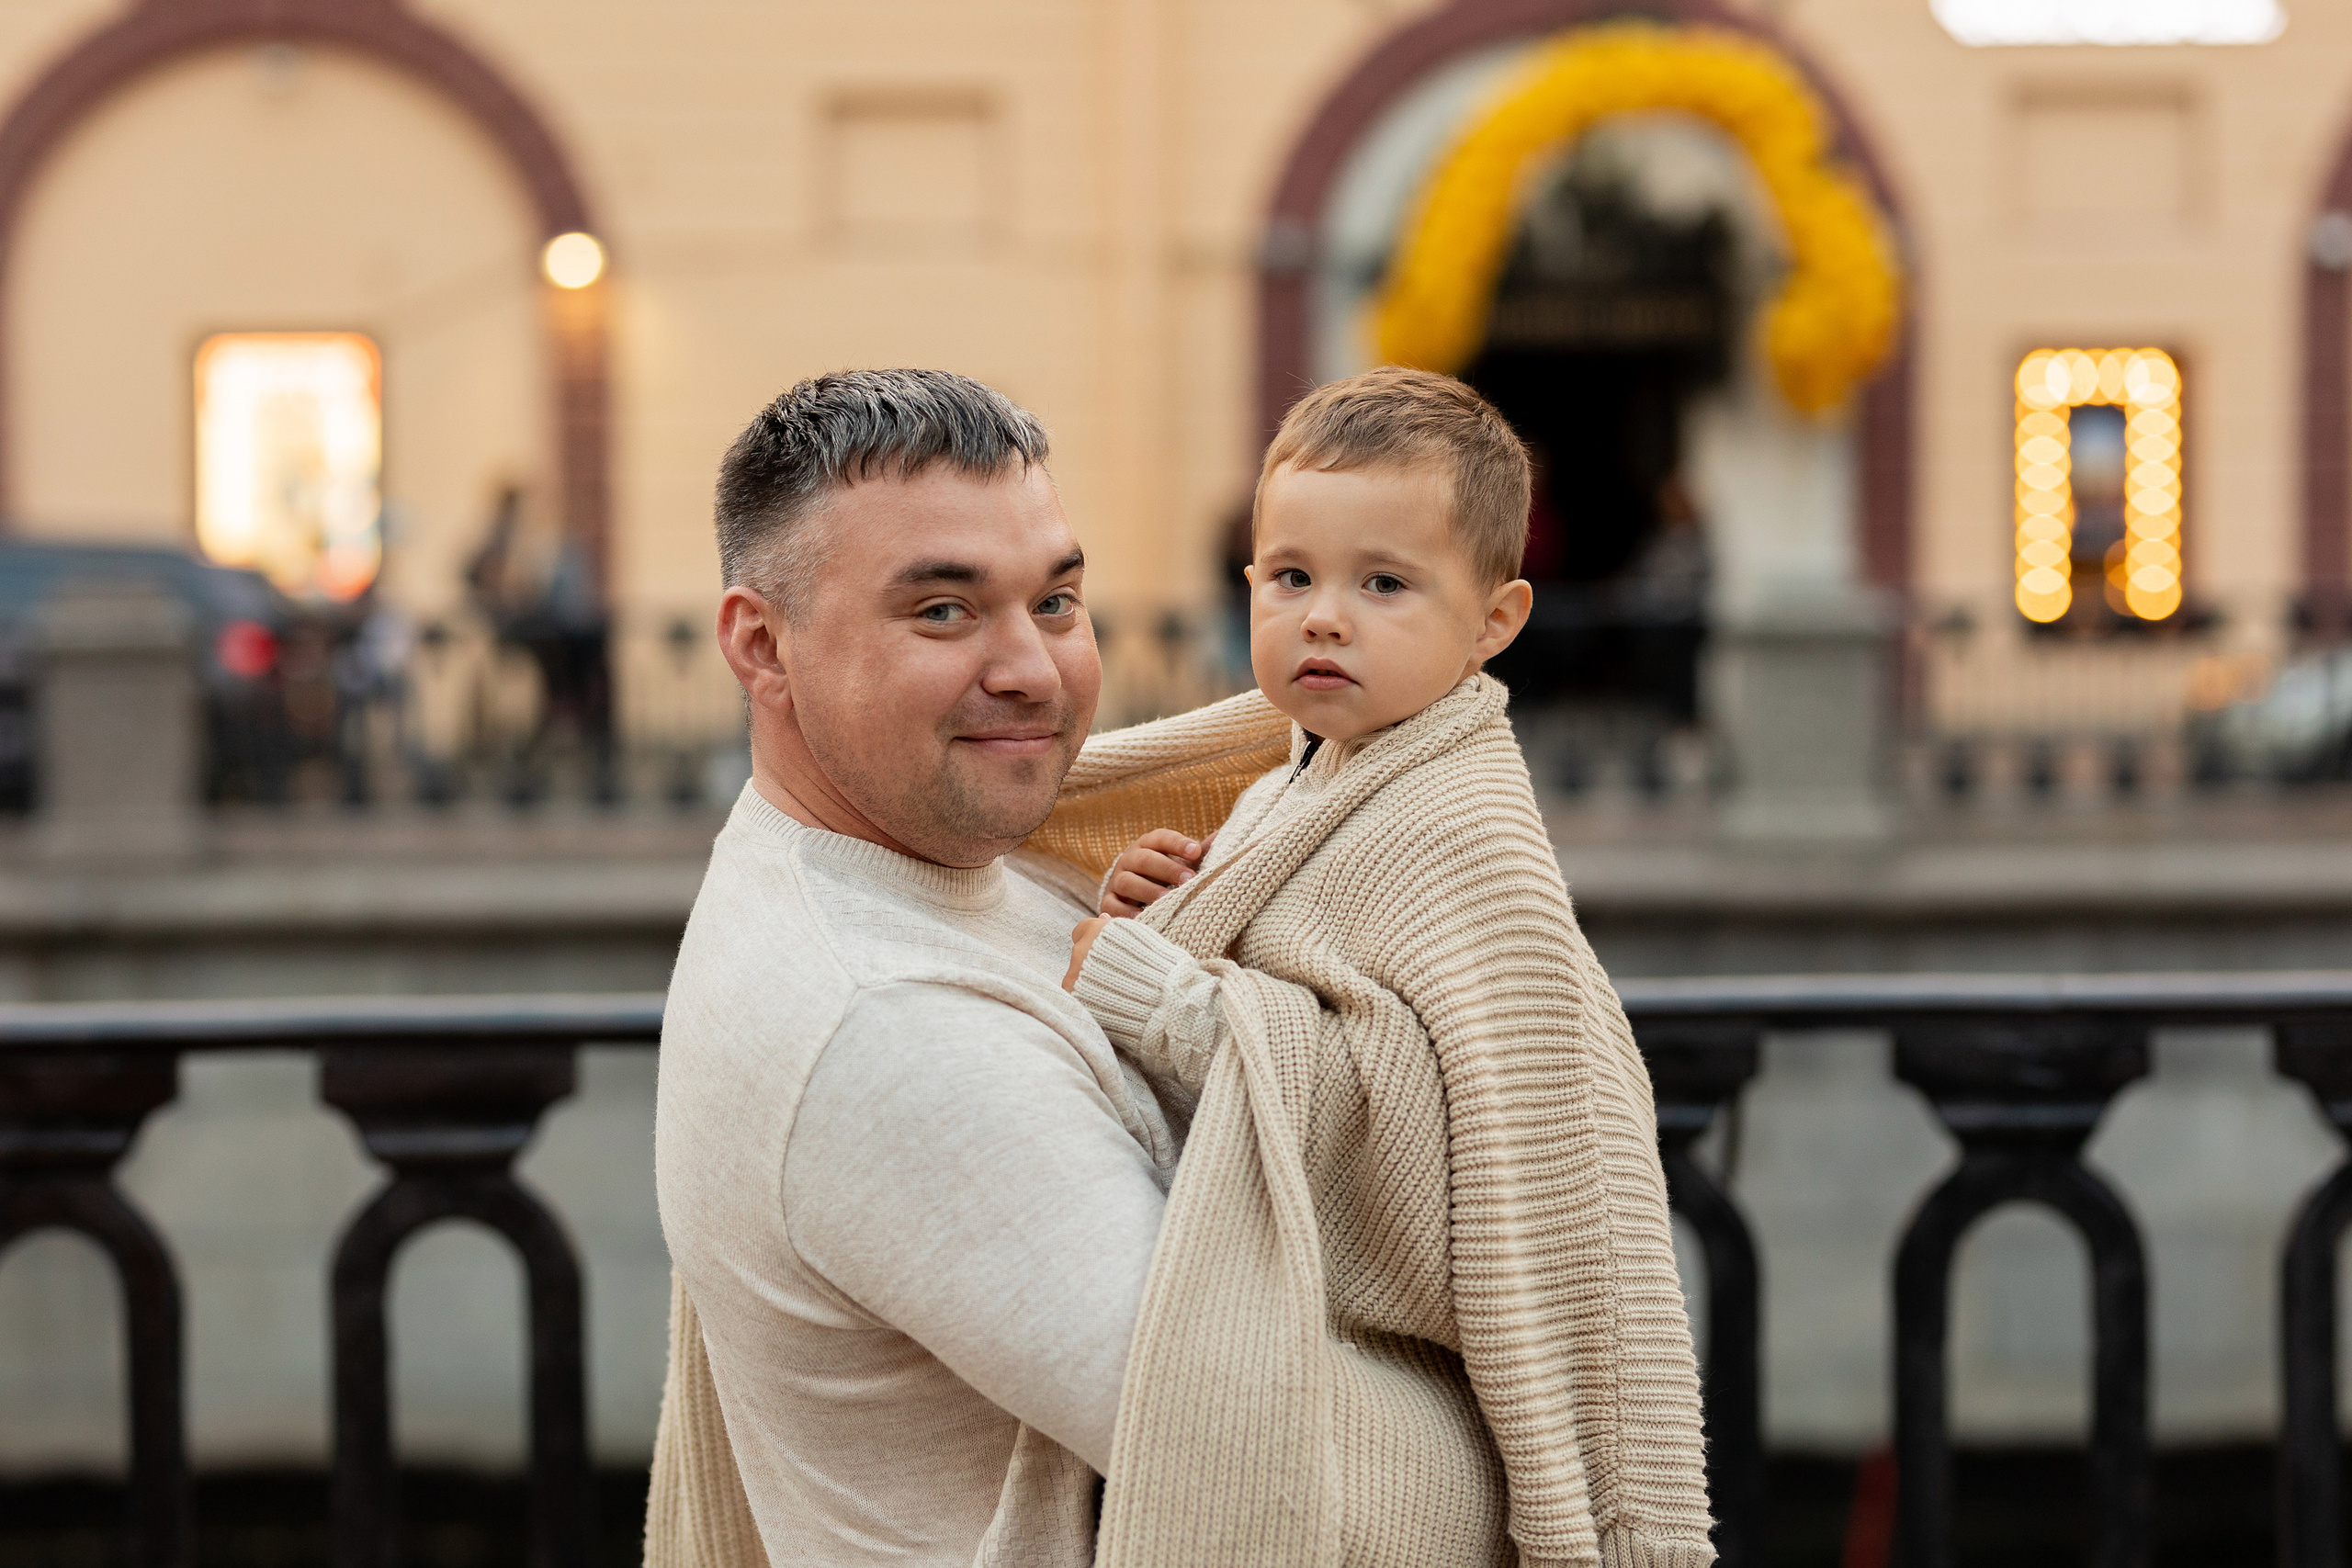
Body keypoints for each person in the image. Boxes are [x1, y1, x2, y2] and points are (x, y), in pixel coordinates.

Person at [1035, 366, 1717, 1566]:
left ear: (1494, 621)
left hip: (1376, 1388)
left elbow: (1423, 1115)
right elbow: (1287, 965)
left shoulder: (1457, 823)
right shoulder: (1299, 777)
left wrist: (1155, 990)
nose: (1324, 617)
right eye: (1290, 577)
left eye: (1384, 585)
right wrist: (1168, 903)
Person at [647, 369, 1181, 1568]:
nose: (1033, 669)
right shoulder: (881, 1022)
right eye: (944, 612)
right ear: (761, 644)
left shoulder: (967, 864)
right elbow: (1284, 1458)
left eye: (1056, 600)